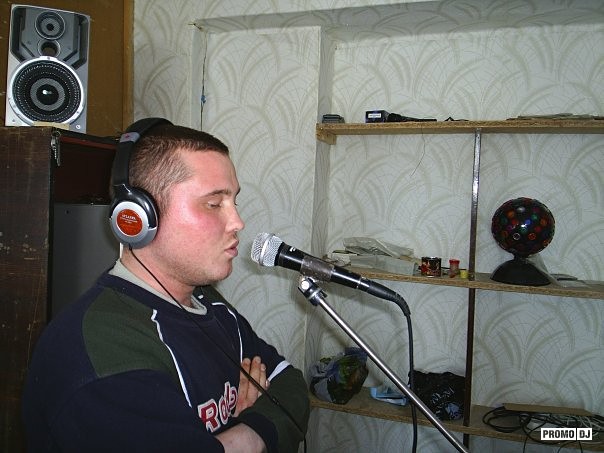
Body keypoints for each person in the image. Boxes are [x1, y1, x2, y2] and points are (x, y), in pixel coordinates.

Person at [22, 119, 310, 452]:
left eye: (234, 202)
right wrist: (253, 430)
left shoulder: (210, 304)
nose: (238, 222)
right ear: (139, 216)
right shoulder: (98, 354)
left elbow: (291, 385)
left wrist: (242, 433)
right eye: (214, 204)